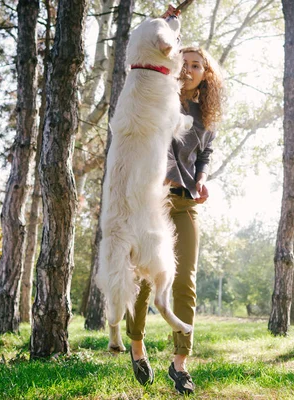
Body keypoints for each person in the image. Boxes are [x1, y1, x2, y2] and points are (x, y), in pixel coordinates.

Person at [126, 9, 225, 395]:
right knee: (147, 279)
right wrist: (163, 21)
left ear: (206, 74)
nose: (189, 68)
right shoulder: (158, 95)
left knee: (185, 281)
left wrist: (200, 181)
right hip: (152, 200)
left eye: (197, 64)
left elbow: (205, 156)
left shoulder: (206, 114)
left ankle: (180, 364)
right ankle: (137, 345)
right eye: (184, 61)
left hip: (185, 205)